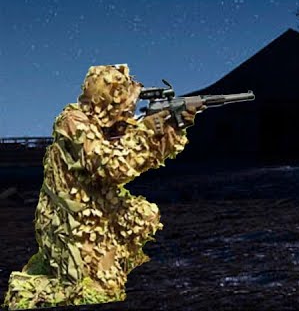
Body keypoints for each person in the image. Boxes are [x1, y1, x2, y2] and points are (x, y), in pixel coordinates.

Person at [4, 64, 195, 308]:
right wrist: (147, 130)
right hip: (71, 220)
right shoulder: (73, 122)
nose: (129, 107)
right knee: (93, 292)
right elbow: (113, 168)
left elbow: (141, 157)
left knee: (143, 216)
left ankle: (109, 261)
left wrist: (171, 129)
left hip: (99, 205)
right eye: (123, 99)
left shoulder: (111, 124)